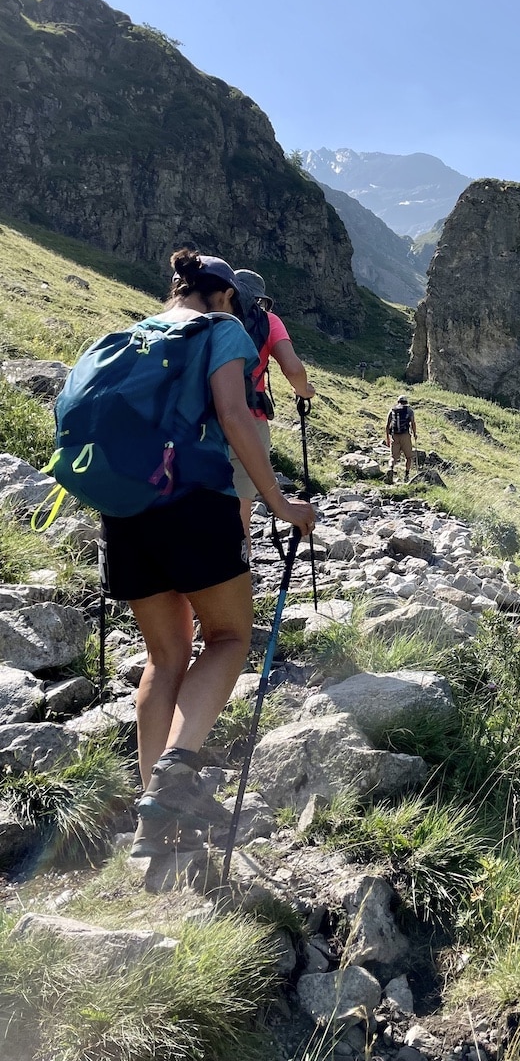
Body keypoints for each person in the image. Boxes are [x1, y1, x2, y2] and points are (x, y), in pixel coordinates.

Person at [99, 250, 316, 858]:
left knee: (164, 657)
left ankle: (154, 819)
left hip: (126, 510)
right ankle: (176, 772)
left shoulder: (134, 334)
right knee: (226, 638)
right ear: (224, 296)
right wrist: (277, 501)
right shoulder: (220, 329)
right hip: (194, 503)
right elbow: (232, 412)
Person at [228, 269, 316, 557]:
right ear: (260, 299)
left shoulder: (211, 317)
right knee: (239, 512)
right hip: (250, 421)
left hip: (203, 418)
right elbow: (292, 368)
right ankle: (237, 579)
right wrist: (305, 392)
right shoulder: (268, 320)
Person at [385, 394, 418, 482]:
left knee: (393, 457)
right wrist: (415, 434)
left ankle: (390, 469)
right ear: (406, 402)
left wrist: (387, 438)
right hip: (405, 436)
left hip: (394, 435)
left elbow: (387, 425)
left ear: (398, 402)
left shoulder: (392, 410)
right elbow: (413, 423)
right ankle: (406, 475)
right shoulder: (409, 410)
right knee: (408, 457)